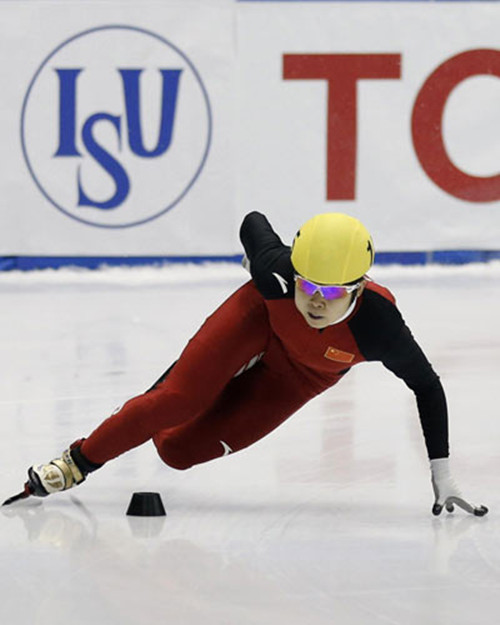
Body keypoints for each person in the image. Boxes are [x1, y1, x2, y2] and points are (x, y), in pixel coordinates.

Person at [3, 211, 488, 516]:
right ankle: (76, 461)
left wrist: (442, 474)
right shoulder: (278, 272)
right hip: (258, 319)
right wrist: (258, 265)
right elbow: (252, 221)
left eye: (332, 293)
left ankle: (193, 387)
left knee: (176, 451)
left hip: (303, 374)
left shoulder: (380, 326)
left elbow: (428, 387)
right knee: (177, 400)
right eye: (309, 286)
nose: (317, 301)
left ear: (358, 289)